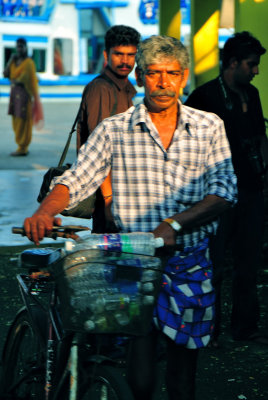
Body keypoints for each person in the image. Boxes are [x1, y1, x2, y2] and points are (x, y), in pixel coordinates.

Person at [24, 35, 237, 400]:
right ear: (140, 76)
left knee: (183, 373)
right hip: (132, 262)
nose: (163, 82)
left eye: (171, 73)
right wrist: (45, 211)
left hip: (189, 262)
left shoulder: (209, 126)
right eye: (154, 73)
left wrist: (174, 224)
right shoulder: (114, 129)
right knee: (138, 366)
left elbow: (224, 191)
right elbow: (77, 178)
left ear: (183, 77)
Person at [185, 31, 268, 346]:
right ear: (232, 63)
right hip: (216, 196)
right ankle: (210, 330)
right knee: (213, 266)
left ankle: (244, 328)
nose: (256, 71)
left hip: (250, 190)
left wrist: (264, 181)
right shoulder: (204, 97)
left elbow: (260, 138)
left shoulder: (253, 94)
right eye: (251, 64)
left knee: (248, 265)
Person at [76, 25, 140, 233]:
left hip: (124, 192)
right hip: (110, 196)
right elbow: (101, 152)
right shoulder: (102, 89)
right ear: (106, 54)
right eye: (119, 54)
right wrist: (110, 201)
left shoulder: (124, 87)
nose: (125, 61)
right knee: (111, 258)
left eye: (131, 55)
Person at [4, 37, 43, 157]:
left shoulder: (29, 63)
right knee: (15, 120)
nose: (19, 48)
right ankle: (20, 145)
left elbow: (28, 79)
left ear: (26, 48)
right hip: (14, 96)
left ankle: (23, 147)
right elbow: (6, 74)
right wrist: (10, 59)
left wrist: (16, 80)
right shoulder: (14, 61)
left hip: (24, 96)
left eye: (21, 46)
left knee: (24, 121)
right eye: (18, 46)